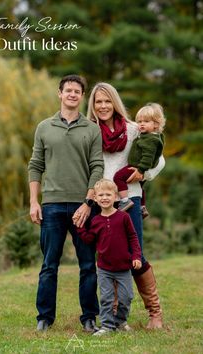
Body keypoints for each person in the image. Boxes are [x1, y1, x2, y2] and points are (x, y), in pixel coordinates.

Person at [81, 82, 165, 329]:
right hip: (101, 201)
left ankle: (155, 313)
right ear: (93, 106)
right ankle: (117, 318)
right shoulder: (89, 131)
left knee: (134, 254)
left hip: (130, 200)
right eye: (98, 102)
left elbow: (159, 159)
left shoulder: (132, 129)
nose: (103, 106)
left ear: (114, 102)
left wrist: (144, 175)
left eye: (107, 101)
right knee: (109, 257)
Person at [28, 74, 104, 332]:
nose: (72, 94)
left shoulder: (92, 129)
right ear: (59, 93)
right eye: (68, 90)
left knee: (87, 264)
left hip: (84, 207)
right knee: (49, 265)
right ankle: (44, 318)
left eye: (77, 91)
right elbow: (36, 165)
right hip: (51, 206)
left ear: (82, 97)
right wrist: (33, 202)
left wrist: (88, 202)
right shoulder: (44, 127)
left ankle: (89, 318)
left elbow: (97, 166)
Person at [76, 179, 142, 336]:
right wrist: (79, 227)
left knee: (126, 297)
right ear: (96, 199)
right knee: (106, 298)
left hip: (124, 267)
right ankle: (106, 326)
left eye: (108, 194)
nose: (104, 197)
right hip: (104, 268)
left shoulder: (123, 217)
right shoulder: (95, 220)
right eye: (101, 195)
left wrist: (136, 256)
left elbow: (133, 237)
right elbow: (89, 239)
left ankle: (120, 321)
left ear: (116, 197)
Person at [113, 103, 165, 212]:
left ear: (156, 124)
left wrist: (140, 170)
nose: (141, 124)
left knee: (118, 177)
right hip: (139, 167)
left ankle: (124, 201)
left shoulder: (150, 140)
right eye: (140, 121)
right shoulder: (149, 136)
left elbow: (148, 157)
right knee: (140, 186)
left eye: (146, 122)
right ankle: (142, 207)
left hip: (136, 167)